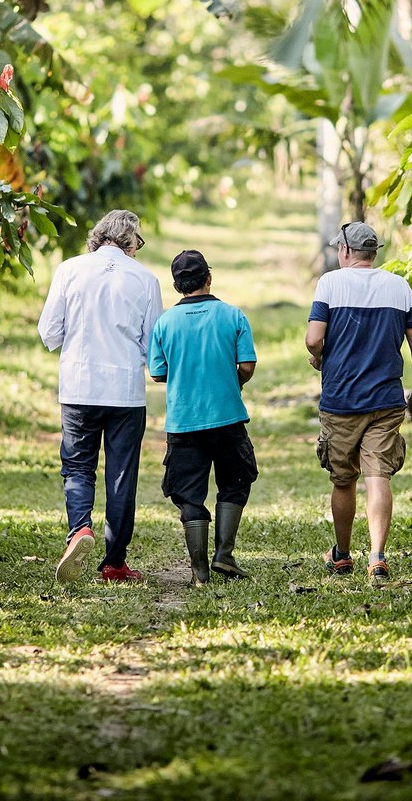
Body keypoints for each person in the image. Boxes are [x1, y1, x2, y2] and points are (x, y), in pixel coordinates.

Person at [38, 209, 163, 584]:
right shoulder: (145, 279)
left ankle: (80, 529)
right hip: (124, 391)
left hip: (79, 387)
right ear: (129, 241)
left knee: (78, 467)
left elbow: (49, 333)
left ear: (99, 236)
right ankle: (114, 564)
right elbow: (152, 342)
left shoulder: (69, 270)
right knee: (122, 475)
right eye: (138, 243)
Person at [305, 221, 412, 587]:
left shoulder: (330, 282)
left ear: (345, 251)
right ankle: (377, 557)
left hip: (341, 401)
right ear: (373, 253)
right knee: (379, 476)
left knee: (344, 479)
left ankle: (342, 556)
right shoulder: (398, 286)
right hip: (386, 400)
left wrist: (321, 358)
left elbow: (314, 339)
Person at [147, 250, 258, 586]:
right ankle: (224, 554)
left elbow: (157, 372)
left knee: (188, 495)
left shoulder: (165, 323)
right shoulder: (233, 316)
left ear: (178, 285)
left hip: (184, 424)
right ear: (208, 278)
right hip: (228, 419)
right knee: (237, 481)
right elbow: (248, 365)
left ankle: (199, 572)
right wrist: (231, 382)